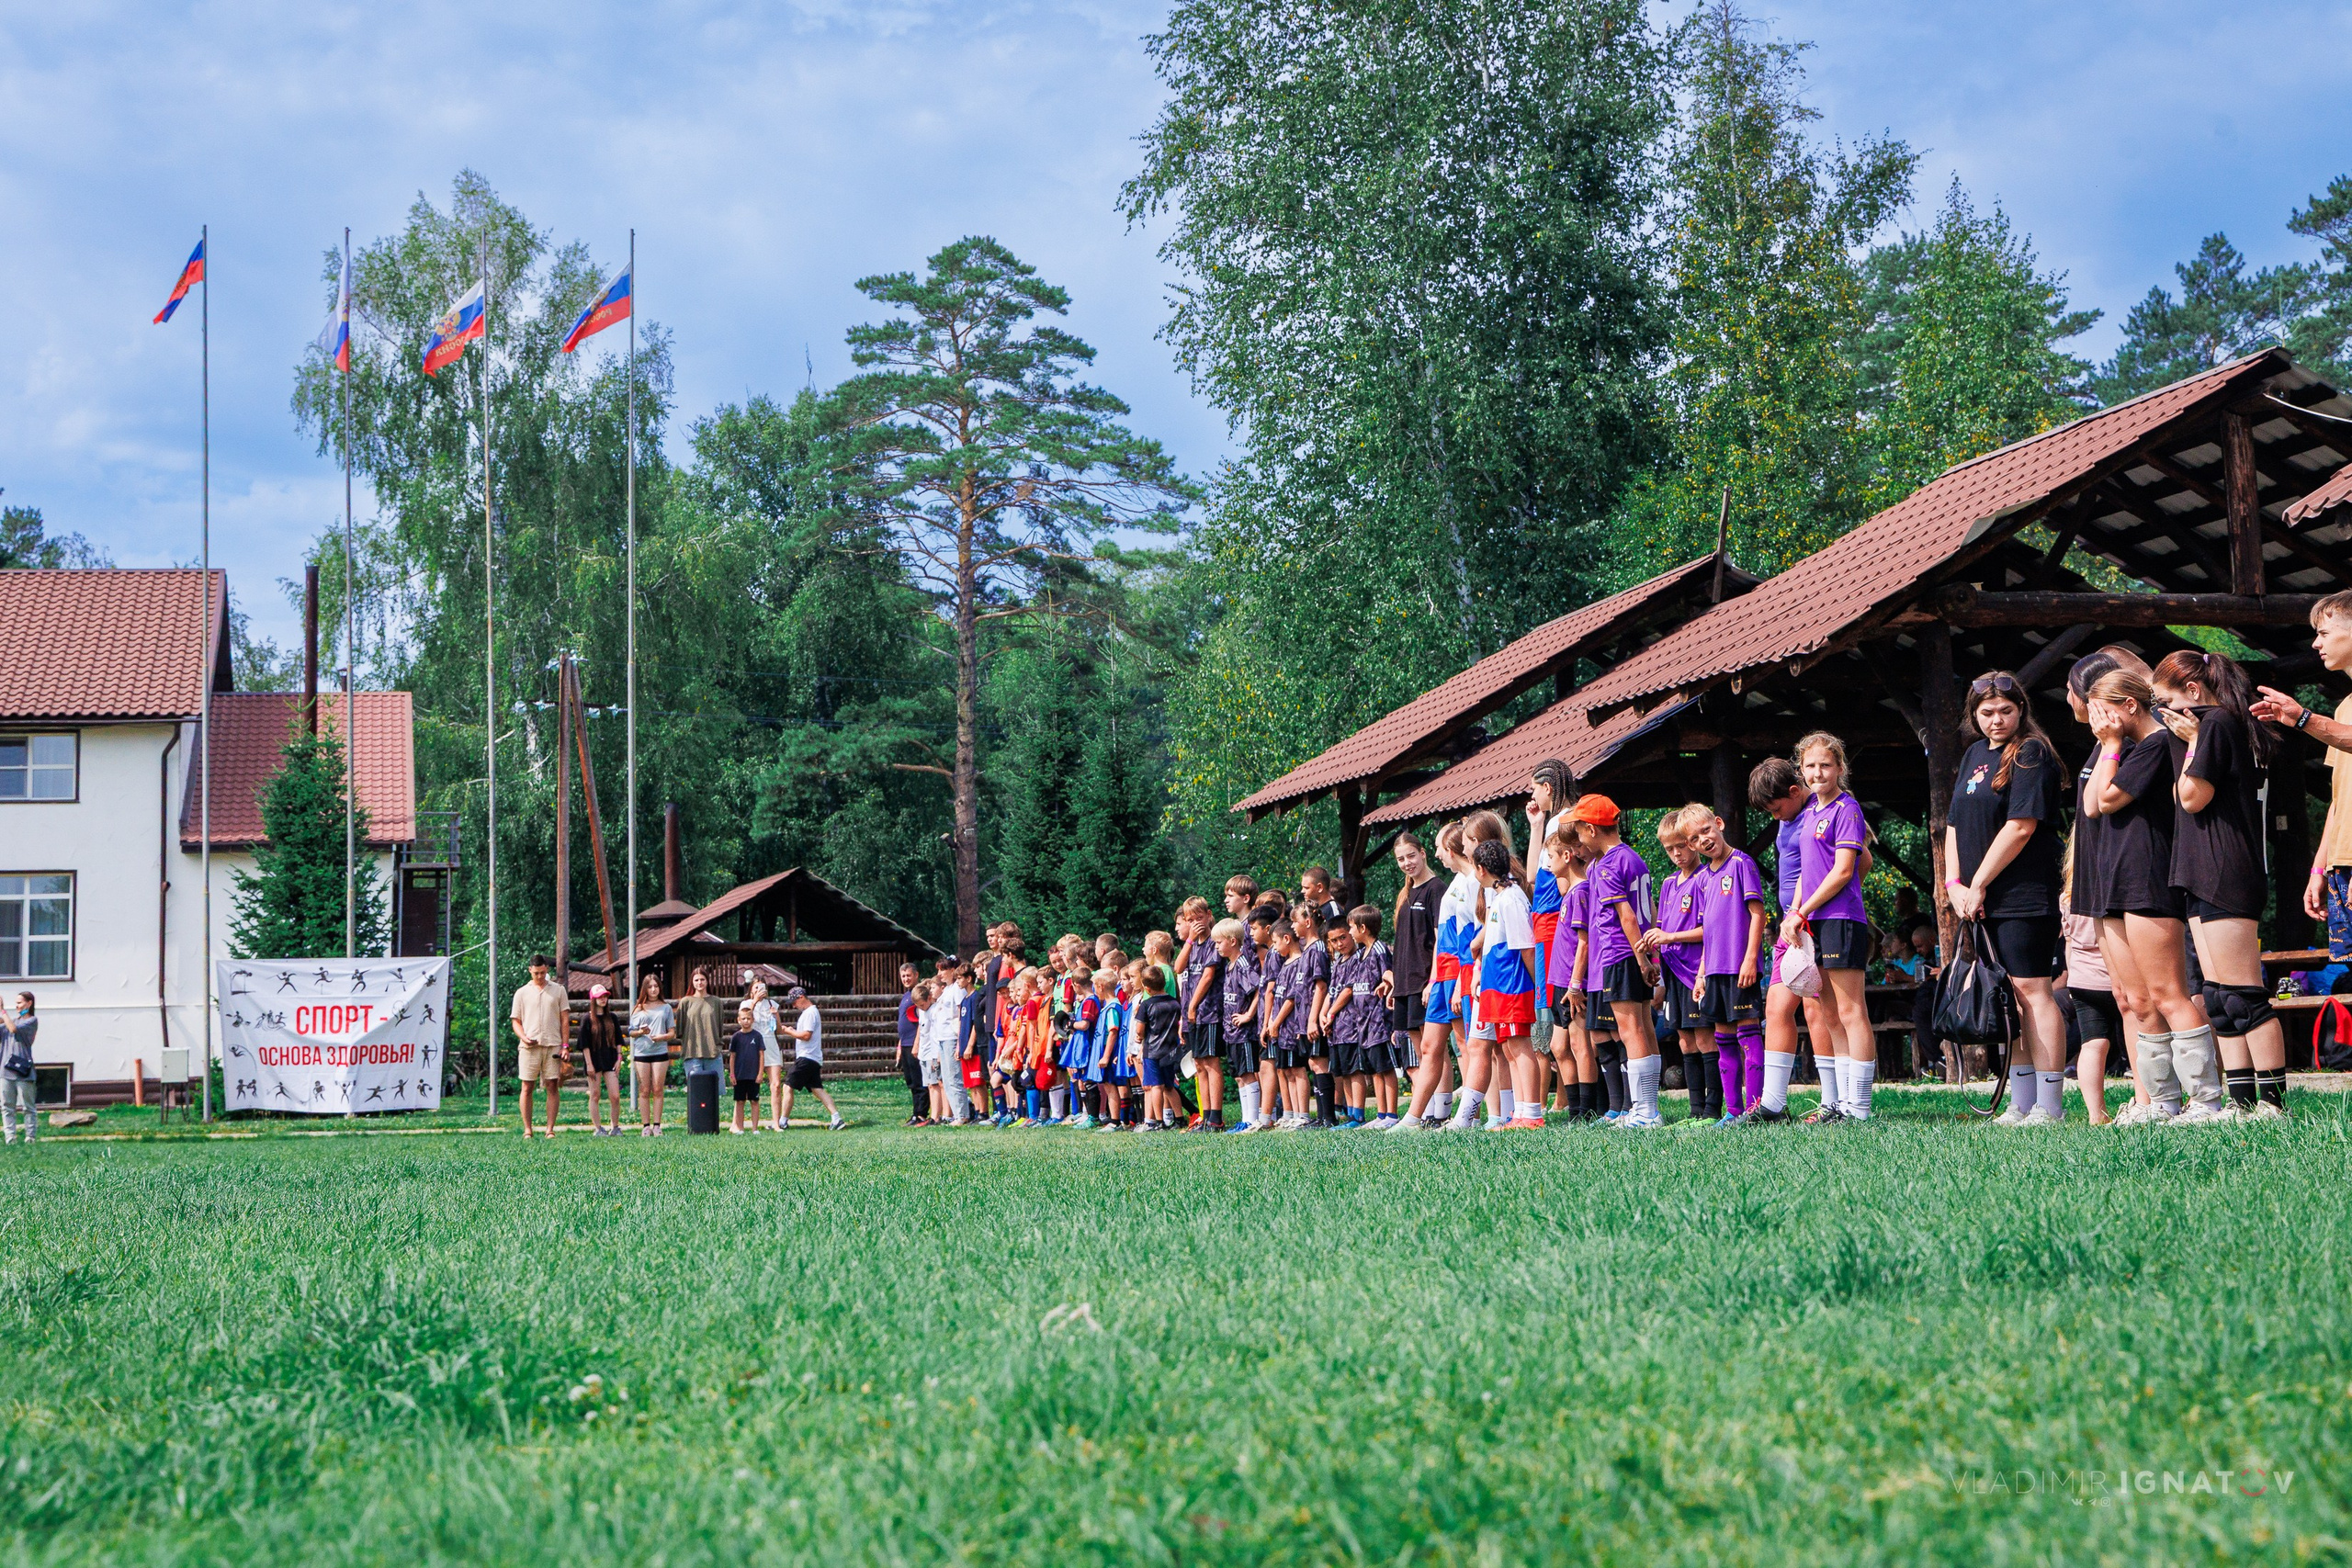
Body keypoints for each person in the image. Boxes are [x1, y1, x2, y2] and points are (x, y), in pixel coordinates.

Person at [2084, 663, 2226, 1122]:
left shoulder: (2156, 744)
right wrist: (2107, 744)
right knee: (2136, 1000)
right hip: (2110, 882)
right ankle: (2161, 1102)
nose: (2096, 722)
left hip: (2146, 878)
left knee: (2167, 993)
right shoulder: (2118, 748)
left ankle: (2205, 1099)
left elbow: (2107, 800)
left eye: (2103, 712)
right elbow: (2089, 806)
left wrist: (2109, 744)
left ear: (2130, 706)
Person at [2153, 649, 2287, 1118]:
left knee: (2243, 992)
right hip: (2199, 868)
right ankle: (2241, 1101)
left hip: (2226, 868)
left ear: (2192, 691)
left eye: (2162, 700)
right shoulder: (2201, 729)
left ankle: (2273, 1102)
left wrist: (2190, 744)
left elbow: (2191, 797)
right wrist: (2186, 746)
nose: (2161, 712)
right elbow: (2178, 793)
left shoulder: (2218, 724)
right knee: (2216, 995)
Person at [1942, 671, 2071, 1127]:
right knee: (2007, 1000)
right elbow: (1953, 823)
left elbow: (2021, 826)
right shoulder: (1974, 755)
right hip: (1978, 897)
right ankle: (2020, 1102)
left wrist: (1977, 883)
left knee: (2033, 992)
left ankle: (2050, 1106)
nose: (1996, 720)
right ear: (1974, 716)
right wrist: (1953, 884)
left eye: (2005, 711)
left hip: (2023, 892)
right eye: (1987, 713)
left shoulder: (2032, 752)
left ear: (2021, 711)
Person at [2251, 591, 2352, 964]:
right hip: (2342, 864)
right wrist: (2319, 867)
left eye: (2324, 633)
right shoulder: (2345, 706)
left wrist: (2304, 719)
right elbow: (2341, 800)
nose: (2315, 643)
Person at [1784, 733, 1879, 1122]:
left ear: (1840, 767)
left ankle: (1860, 1107)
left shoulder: (1848, 808)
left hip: (1841, 920)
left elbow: (1846, 869)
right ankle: (1840, 1104)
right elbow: (1807, 871)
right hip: (1812, 922)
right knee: (1830, 1014)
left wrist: (1803, 908)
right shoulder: (1809, 814)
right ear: (1801, 771)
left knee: (1852, 1009)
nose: (1817, 773)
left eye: (1825, 765)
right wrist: (1794, 914)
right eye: (1810, 766)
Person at [1742, 758, 1833, 1124]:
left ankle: (1833, 1103)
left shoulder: (1820, 811)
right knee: (1776, 1009)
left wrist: (1808, 909)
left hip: (1815, 922)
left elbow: (1861, 861)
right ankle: (1773, 1105)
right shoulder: (1788, 818)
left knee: (1816, 1010)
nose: (1775, 816)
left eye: (1777, 808)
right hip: (1789, 928)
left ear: (1795, 792)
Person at [1569, 795, 1664, 1129]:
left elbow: (1626, 916)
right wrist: (1651, 957)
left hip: (1619, 953)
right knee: (1645, 1027)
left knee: (1630, 1029)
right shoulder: (1633, 858)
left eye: (1579, 832)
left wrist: (1641, 960)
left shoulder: (1608, 864)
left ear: (1592, 830)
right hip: (1634, 953)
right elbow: (1648, 909)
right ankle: (1649, 1108)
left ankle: (1644, 1111)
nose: (1579, 840)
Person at [1689, 807, 1768, 1122]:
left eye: (1706, 830)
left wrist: (1750, 959)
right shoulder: (1703, 879)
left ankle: (1756, 1108)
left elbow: (1758, 914)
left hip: (1741, 969)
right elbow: (1708, 931)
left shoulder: (1742, 864)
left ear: (1718, 824)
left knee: (1748, 1036)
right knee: (1723, 1040)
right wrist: (1701, 974)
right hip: (1715, 972)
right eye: (1695, 838)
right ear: (1692, 846)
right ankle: (1733, 1112)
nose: (1704, 840)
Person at [1643, 806, 1717, 1124]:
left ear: (1693, 842)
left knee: (1704, 1038)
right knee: (1684, 1039)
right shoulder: (1669, 884)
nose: (1675, 853)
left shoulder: (1706, 878)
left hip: (1696, 971)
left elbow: (1709, 929)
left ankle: (1714, 1109)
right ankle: (1695, 1110)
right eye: (1668, 848)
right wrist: (1654, 955)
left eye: (1680, 846)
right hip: (1672, 974)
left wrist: (1670, 936)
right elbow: (1661, 931)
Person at [1466, 839, 1544, 1129]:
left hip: (1512, 986)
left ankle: (1533, 1114)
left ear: (1482, 868)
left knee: (1521, 1047)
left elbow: (1525, 946)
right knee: (1510, 1049)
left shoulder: (1512, 899)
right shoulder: (1499, 898)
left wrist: (1537, 985)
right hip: (1497, 986)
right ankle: (1521, 1113)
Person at [510, 955, 569, 1139]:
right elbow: (515, 1021)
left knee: (552, 1085)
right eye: (536, 973)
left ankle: (550, 1129)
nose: (540, 976)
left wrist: (565, 1046)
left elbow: (565, 1020)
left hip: (553, 1044)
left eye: (543, 973)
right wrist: (523, 1037)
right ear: (530, 971)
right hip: (529, 1047)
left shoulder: (558, 990)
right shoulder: (521, 993)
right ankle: (528, 1129)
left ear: (547, 970)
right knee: (527, 1086)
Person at [777, 986, 844, 1130]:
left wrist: (790, 1032)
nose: (794, 1006)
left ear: (801, 997)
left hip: (806, 1057)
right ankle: (837, 1118)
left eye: (794, 1002)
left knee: (787, 1086)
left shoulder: (810, 1013)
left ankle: (782, 1122)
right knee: (817, 1089)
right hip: (813, 1058)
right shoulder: (810, 1012)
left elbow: (807, 1035)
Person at [627, 972, 675, 1136]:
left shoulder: (666, 1007)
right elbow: (631, 1033)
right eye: (650, 987)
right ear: (645, 989)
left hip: (660, 1051)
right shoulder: (638, 1008)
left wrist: (662, 1037)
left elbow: (672, 1033)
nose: (653, 989)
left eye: (656, 986)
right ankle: (645, 1125)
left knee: (658, 1088)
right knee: (644, 1089)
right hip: (642, 1052)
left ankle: (657, 1125)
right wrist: (641, 1031)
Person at [575, 985, 624, 1136]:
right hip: (594, 1061)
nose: (603, 999)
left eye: (605, 996)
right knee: (595, 1094)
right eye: (600, 997)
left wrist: (619, 1058)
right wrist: (589, 1064)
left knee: (615, 1095)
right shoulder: (587, 1019)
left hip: (610, 1059)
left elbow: (618, 1040)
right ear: (593, 999)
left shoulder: (613, 1018)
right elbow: (584, 1044)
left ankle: (615, 1127)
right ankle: (598, 1128)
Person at [675, 968, 726, 1115]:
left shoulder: (716, 1002)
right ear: (692, 982)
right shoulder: (685, 1002)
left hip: (712, 1052)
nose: (700, 983)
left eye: (702, 979)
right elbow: (680, 1029)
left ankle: (712, 1122)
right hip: (692, 1052)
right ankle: (697, 1123)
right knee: (696, 1093)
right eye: (696, 980)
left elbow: (720, 1026)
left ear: (707, 981)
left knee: (715, 1092)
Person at [895, 964, 927, 1126]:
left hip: (916, 1043)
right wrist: (899, 1048)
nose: (906, 979)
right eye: (903, 976)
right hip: (905, 1043)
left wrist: (916, 1044)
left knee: (919, 1080)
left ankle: (921, 1113)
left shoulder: (919, 993)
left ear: (916, 975)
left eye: (909, 975)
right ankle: (916, 1113)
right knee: (911, 1081)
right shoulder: (906, 996)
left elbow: (921, 1023)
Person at [2, 993, 36, 1145]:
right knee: (7, 1106)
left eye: (19, 1003)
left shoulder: (31, 1021)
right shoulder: (11, 1021)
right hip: (5, 1071)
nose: (16, 1006)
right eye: (15, 1003)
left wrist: (2, 1010)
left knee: (28, 1107)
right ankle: (10, 1137)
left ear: (29, 1003)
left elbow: (13, 1029)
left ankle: (30, 1137)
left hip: (23, 1072)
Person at [728, 1004, 764, 1134]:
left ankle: (755, 1129)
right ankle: (740, 1128)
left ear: (752, 1020)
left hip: (753, 1075)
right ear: (739, 1020)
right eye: (743, 1019)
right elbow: (732, 1056)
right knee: (740, 1102)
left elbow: (761, 1054)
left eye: (748, 1019)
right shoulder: (736, 1037)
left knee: (754, 1101)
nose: (746, 1021)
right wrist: (732, 1074)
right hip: (740, 1075)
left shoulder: (757, 1036)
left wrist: (760, 1073)